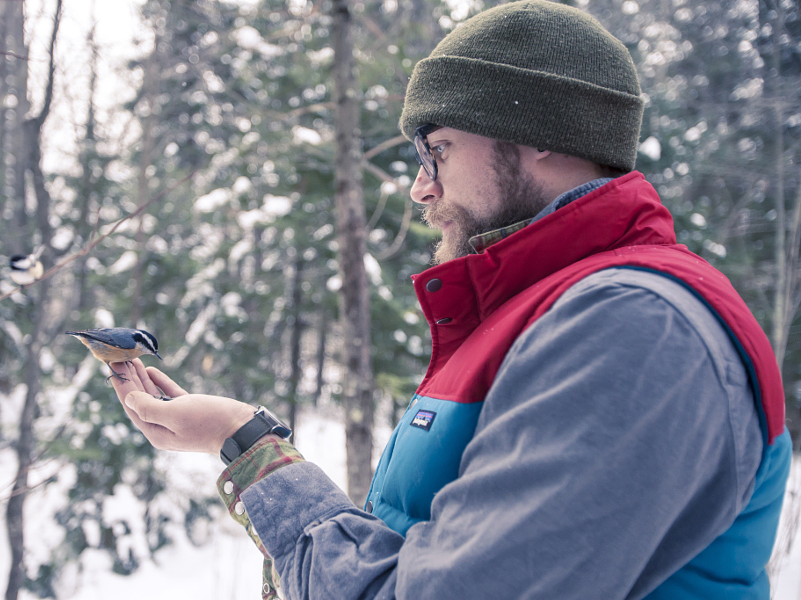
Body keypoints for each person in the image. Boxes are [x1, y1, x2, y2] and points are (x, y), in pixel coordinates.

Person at [111, 2, 792, 598]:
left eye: (438, 149)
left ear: (542, 137)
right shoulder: (548, 317)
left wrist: (253, 452)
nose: (421, 188)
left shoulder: (638, 330)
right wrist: (243, 443)